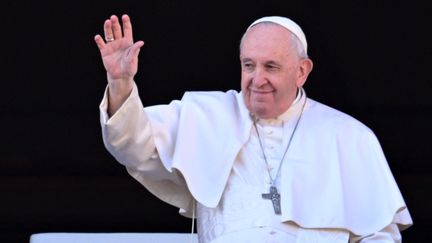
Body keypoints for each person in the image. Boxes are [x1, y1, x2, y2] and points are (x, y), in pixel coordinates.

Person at [95, 14, 413, 242]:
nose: (257, 79)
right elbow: (131, 143)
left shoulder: (350, 137)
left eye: (271, 67)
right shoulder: (203, 115)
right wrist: (121, 83)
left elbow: (380, 233)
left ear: (302, 71)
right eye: (249, 65)